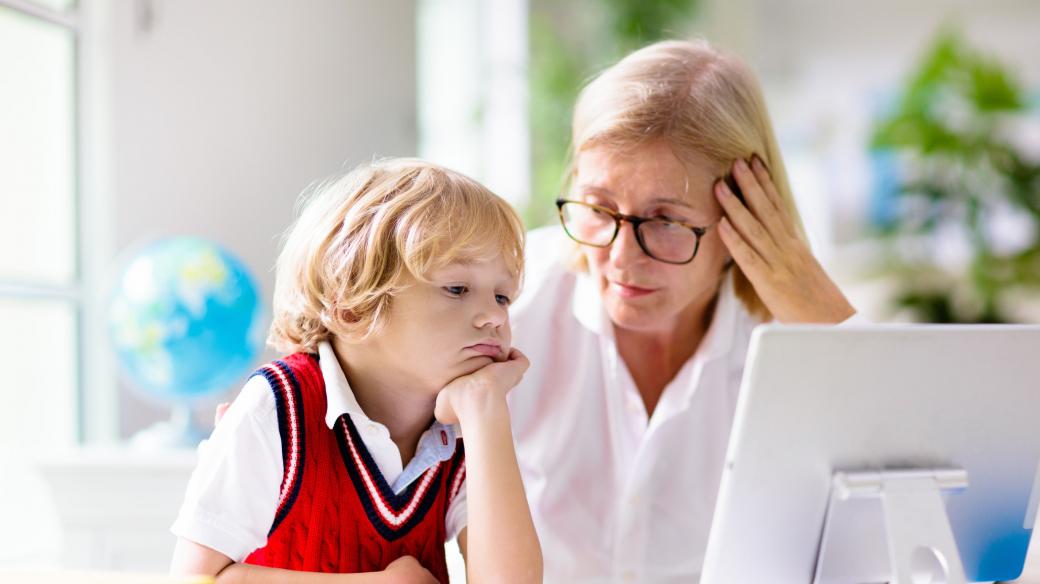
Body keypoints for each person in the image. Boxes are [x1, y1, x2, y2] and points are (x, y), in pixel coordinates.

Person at [505, 39, 865, 582]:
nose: (621, 258)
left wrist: (827, 324)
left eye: (665, 221)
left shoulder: (791, 336)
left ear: (743, 217)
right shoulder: (511, 298)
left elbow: (922, 523)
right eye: (599, 208)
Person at [169, 159, 542, 584]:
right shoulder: (279, 407)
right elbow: (196, 579)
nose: (493, 317)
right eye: (457, 288)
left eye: (503, 296)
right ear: (354, 308)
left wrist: (485, 410)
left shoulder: (462, 434)